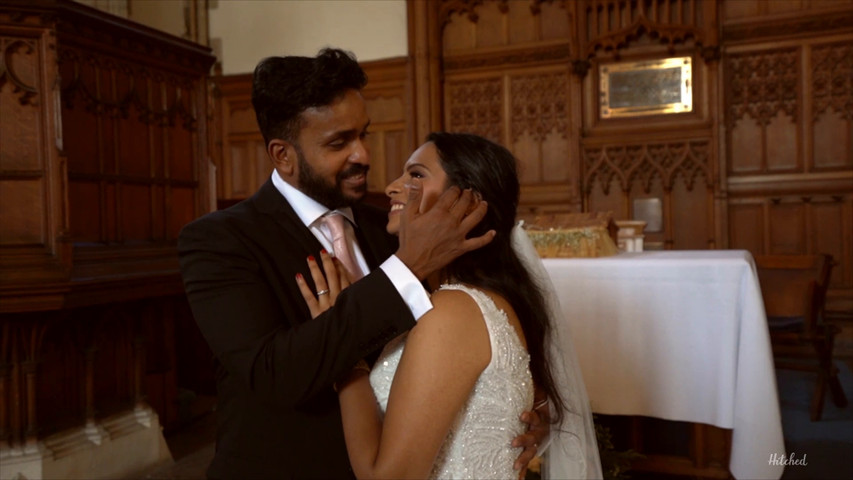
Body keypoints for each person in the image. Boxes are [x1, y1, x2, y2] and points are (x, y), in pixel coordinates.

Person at [178, 48, 543, 479]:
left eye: (363, 135)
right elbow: (273, 375)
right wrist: (405, 269)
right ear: (283, 155)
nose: (363, 155)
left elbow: (463, 346)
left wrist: (510, 412)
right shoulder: (221, 240)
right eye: (339, 143)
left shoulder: (392, 227)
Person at [298, 132, 603, 479]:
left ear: (467, 203)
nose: (392, 188)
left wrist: (345, 355)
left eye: (416, 175)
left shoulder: (454, 310)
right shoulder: (480, 301)